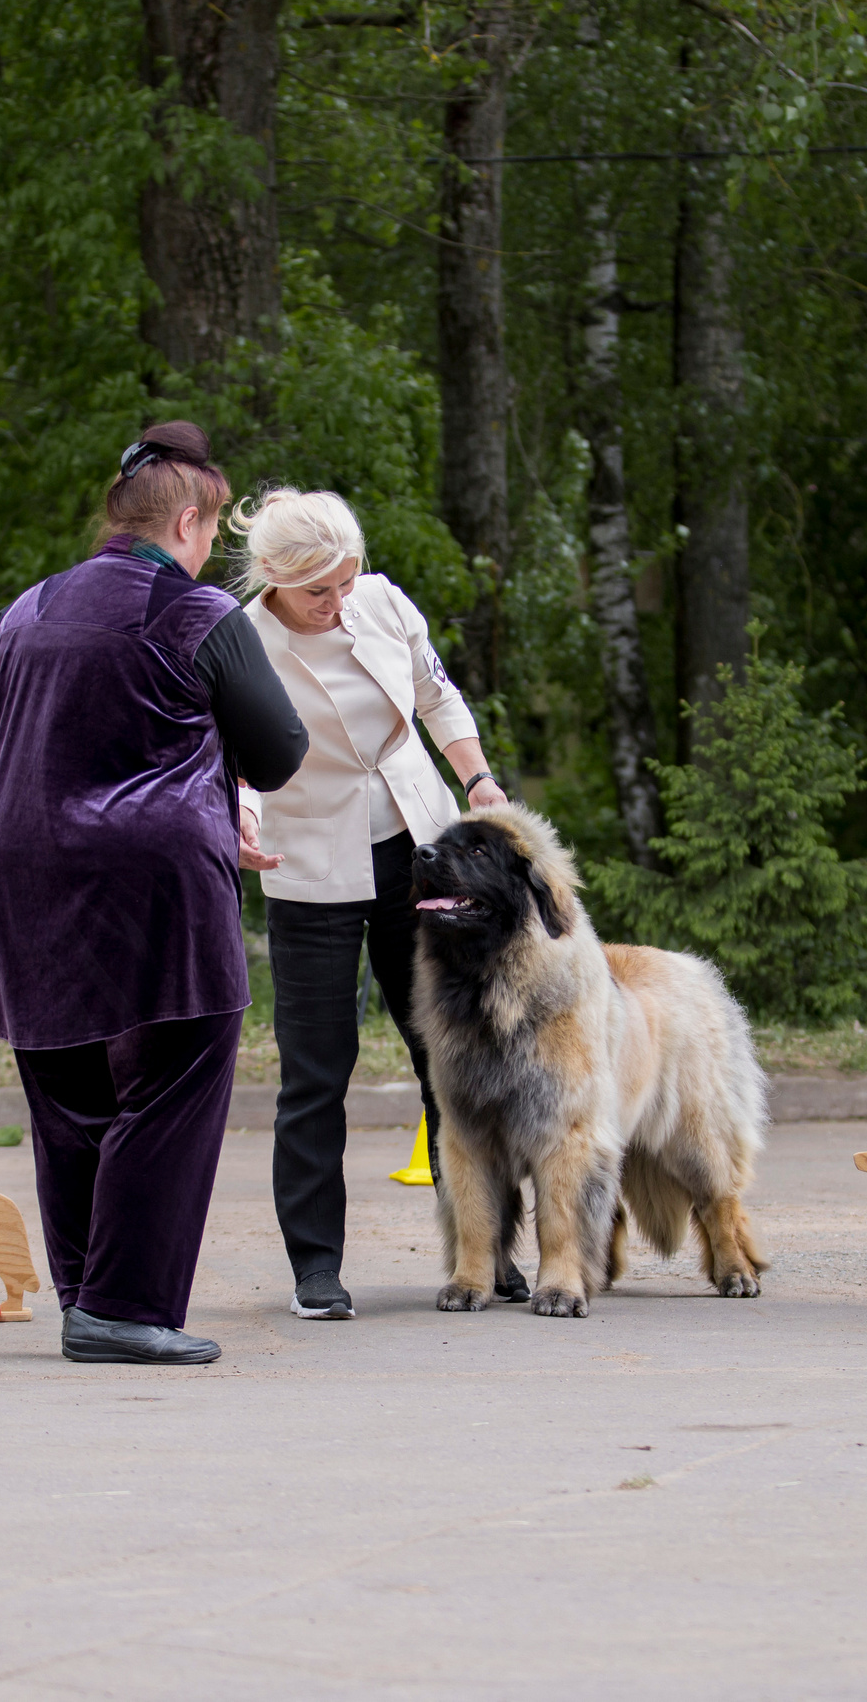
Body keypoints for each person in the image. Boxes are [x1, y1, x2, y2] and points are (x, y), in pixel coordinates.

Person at [0, 422, 307, 1366]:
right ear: (187, 520)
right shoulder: (198, 614)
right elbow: (279, 751)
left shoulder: (26, 608)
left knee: (67, 1087)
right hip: (149, 875)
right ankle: (123, 1307)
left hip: (15, 867)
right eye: (213, 527)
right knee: (177, 1071)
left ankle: (88, 1297)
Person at [228, 489, 511, 1322]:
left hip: (418, 849)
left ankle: (486, 1251)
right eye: (318, 590)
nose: (338, 601)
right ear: (273, 576)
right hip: (308, 860)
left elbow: (436, 695)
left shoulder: (383, 601)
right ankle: (316, 1269)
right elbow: (232, 753)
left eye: (346, 581)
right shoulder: (239, 638)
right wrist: (240, 815)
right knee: (316, 1072)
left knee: (448, 1057)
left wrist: (477, 777)